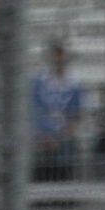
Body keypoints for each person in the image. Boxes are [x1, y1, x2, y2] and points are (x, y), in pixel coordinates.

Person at [32, 40, 87, 182]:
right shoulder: (39, 83)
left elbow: (75, 118)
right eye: (55, 55)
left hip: (63, 138)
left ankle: (66, 196)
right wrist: (43, 136)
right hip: (41, 137)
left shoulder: (75, 86)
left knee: (66, 153)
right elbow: (33, 112)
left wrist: (59, 138)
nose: (58, 59)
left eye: (61, 55)